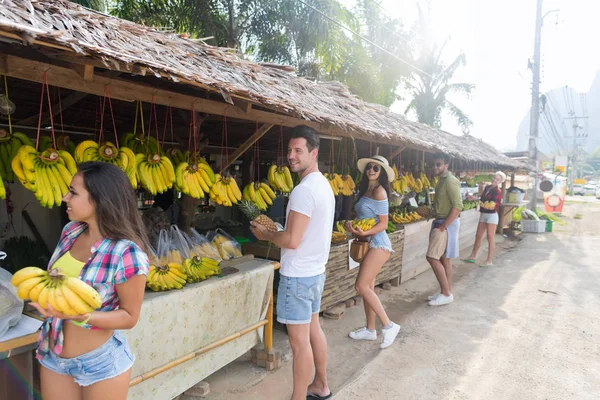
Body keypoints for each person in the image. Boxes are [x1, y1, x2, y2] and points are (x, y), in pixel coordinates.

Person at [30, 162, 150, 400]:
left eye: (73, 192)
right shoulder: (70, 232)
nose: (65, 198)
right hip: (54, 355)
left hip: (99, 363)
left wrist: (81, 316)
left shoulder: (127, 253)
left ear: (99, 199)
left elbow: (129, 317)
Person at [250, 126, 334, 400]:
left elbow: (292, 240)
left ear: (314, 152)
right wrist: (279, 230)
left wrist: (266, 234)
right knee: (313, 331)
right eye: (289, 150)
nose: (291, 156)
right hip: (315, 272)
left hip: (298, 276)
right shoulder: (323, 185)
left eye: (298, 151)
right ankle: (321, 385)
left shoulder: (303, 190)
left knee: (299, 344)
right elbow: (303, 232)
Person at [345, 155, 401, 348]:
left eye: (376, 168)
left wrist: (366, 232)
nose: (371, 170)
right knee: (368, 287)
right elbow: (365, 216)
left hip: (378, 244)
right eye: (369, 167)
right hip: (367, 243)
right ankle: (370, 330)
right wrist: (352, 225)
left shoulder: (379, 191)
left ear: (382, 172)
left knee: (361, 286)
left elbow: (384, 223)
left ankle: (389, 325)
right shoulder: (366, 190)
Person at [426, 153, 463, 306]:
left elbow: (458, 206)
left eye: (439, 164)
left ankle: (446, 293)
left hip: (445, 224)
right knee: (444, 258)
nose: (435, 167)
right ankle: (445, 291)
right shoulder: (441, 181)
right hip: (441, 221)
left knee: (432, 257)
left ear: (446, 165)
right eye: (434, 164)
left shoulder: (450, 181)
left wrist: (444, 226)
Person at [463, 171, 506, 267]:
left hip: (492, 216)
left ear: (500, 182)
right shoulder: (487, 187)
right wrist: (474, 198)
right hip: (484, 214)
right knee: (478, 235)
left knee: (490, 237)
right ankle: (473, 256)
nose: (495, 180)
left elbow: (493, 206)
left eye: (497, 179)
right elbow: (482, 199)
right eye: (494, 178)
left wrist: (482, 204)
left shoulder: (498, 192)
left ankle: (489, 260)